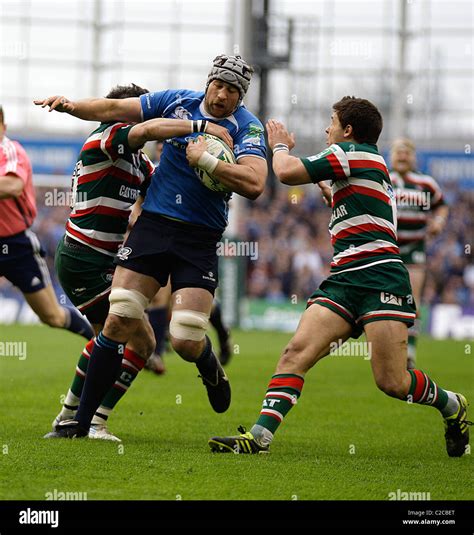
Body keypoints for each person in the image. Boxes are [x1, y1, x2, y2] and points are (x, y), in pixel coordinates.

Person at [208, 96, 470, 457]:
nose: (326, 129)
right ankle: (259, 438)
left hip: (380, 279)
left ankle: (452, 405)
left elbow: (285, 172)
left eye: (331, 121)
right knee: (295, 353)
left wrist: (279, 144)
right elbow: (364, 210)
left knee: (392, 381)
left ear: (348, 130)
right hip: (344, 280)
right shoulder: (364, 164)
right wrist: (334, 193)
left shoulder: (353, 154)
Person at [34, 54, 267, 438]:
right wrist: (72, 105)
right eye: (218, 85)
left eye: (232, 90)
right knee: (120, 318)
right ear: (208, 82)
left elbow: (255, 184)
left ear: (241, 96)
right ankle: (81, 422)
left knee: (184, 336)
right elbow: (120, 115)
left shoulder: (247, 129)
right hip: (127, 240)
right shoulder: (123, 131)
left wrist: (207, 161)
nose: (223, 94)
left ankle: (208, 364)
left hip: (199, 237)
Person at [0, 105, 94, 341]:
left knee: (52, 316)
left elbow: (13, 186)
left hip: (15, 245)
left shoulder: (10, 150)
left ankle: (103, 343)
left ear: (3, 127)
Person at [390, 138, 449, 369]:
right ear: (391, 156)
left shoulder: (426, 183)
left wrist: (439, 221)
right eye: (398, 152)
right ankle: (388, 348)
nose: (402, 157)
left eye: (406, 153)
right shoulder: (383, 179)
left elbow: (442, 205)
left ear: (413, 157)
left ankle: (409, 354)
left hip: (414, 248)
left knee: (412, 302)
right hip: (387, 248)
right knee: (385, 300)